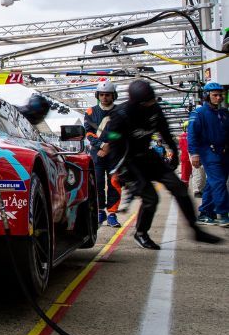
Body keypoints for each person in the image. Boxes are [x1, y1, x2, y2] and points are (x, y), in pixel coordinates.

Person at [97, 80, 221, 249]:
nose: (153, 102)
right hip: (129, 161)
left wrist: (174, 152)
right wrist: (118, 171)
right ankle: (141, 233)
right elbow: (114, 146)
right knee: (151, 198)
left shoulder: (154, 109)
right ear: (138, 102)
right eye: (149, 100)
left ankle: (196, 230)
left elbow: (165, 131)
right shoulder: (121, 115)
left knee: (179, 188)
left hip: (148, 156)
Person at [187, 81, 229, 227]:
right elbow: (192, 135)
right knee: (218, 182)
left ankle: (205, 213)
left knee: (213, 183)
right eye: (215, 95)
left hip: (223, 152)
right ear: (206, 96)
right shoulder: (199, 113)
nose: (219, 98)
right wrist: (194, 154)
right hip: (207, 151)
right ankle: (223, 214)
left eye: (220, 95)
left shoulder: (223, 114)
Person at [83, 81, 122, 227]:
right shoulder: (90, 112)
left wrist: (109, 146)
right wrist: (101, 145)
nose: (104, 97)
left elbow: (122, 133)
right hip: (97, 153)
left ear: (113, 96)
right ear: (98, 96)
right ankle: (100, 211)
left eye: (107, 95)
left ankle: (112, 213)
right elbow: (89, 132)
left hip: (115, 154)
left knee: (115, 183)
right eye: (102, 95)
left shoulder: (120, 111)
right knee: (98, 183)